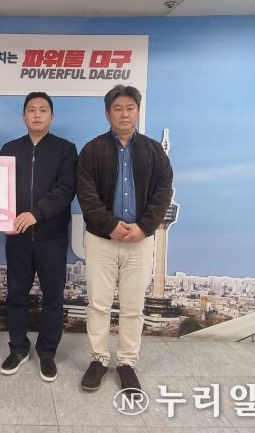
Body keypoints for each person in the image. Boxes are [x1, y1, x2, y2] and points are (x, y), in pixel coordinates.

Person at [77, 84, 173, 395]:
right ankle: (98, 360)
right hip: (102, 240)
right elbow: (86, 195)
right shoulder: (92, 150)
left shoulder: (154, 151)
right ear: (107, 114)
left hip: (140, 241)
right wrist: (110, 225)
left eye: (130, 108)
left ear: (138, 112)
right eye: (117, 108)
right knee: (98, 304)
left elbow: (163, 192)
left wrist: (144, 227)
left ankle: (127, 363)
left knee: (133, 306)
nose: (124, 114)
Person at [0, 92, 77, 382]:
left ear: (52, 116)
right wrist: (1, 218)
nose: (37, 115)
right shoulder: (9, 149)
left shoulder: (65, 149)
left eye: (43, 110)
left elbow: (65, 190)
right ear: (23, 116)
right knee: (16, 295)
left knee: (53, 297)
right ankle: (18, 349)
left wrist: (36, 214)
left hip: (51, 237)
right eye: (31, 110)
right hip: (17, 237)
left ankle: (47, 352)